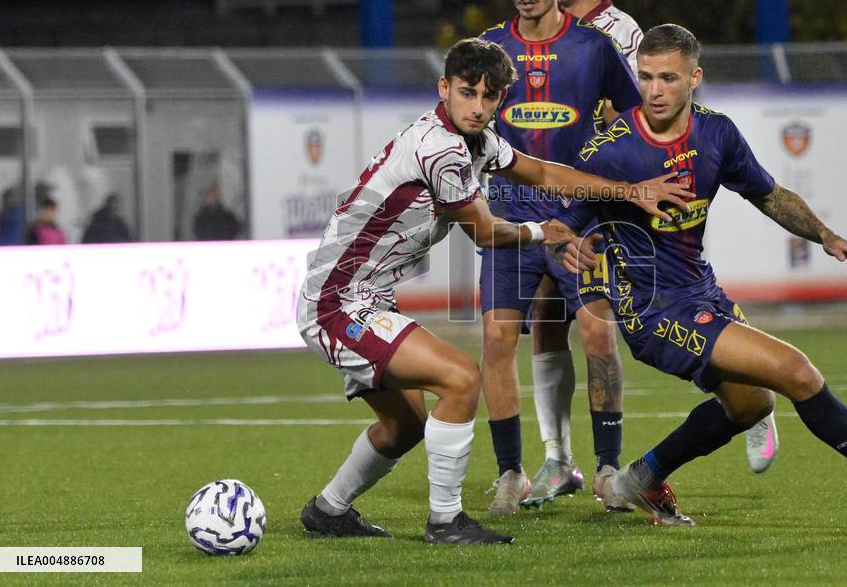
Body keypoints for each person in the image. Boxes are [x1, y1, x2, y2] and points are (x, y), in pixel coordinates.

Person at [554, 23, 847, 526]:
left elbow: (770, 195)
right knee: (797, 371)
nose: (654, 90)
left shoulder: (716, 133)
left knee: (751, 406)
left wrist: (824, 235)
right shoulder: (611, 149)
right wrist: (570, 243)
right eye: (645, 77)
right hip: (652, 309)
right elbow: (563, 223)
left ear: (694, 79)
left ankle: (640, 479)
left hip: (701, 290)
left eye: (668, 78)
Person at [294, 37, 691, 544]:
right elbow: (483, 232)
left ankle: (327, 510)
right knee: (461, 378)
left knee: (405, 425)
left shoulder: (478, 140)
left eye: (489, 96)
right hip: (337, 304)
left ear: (502, 97)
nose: (478, 107)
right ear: (444, 88)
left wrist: (631, 192)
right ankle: (446, 522)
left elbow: (543, 172)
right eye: (467, 93)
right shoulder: (440, 148)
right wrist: (544, 231)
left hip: (365, 299)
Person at [530, 0, 778, 510]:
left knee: (599, 321)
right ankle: (557, 459)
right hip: (559, 191)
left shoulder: (620, 32)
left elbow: (642, 114)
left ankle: (613, 465)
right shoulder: (533, 32)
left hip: (619, 196)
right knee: (544, 313)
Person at [477, 0, 642, 515]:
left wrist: (613, 185)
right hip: (510, 222)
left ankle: (607, 469)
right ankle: (510, 473)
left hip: (580, 222)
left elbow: (633, 123)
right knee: (497, 340)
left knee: (599, 335)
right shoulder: (489, 49)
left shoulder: (594, 47)